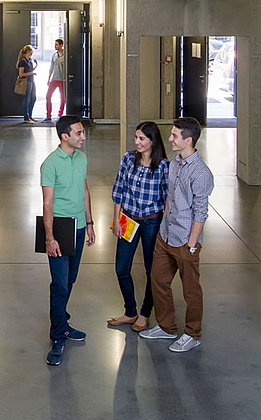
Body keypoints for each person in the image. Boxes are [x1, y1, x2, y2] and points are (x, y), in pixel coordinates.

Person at [139, 117, 214, 353]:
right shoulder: (174, 163)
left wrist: (192, 244)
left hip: (185, 241)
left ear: (188, 140)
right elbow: (170, 198)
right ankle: (167, 327)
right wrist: (164, 226)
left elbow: (201, 211)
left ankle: (193, 333)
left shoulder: (201, 173)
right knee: (158, 280)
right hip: (166, 234)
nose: (169, 139)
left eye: (174, 135)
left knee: (191, 291)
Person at [40, 115, 96, 366]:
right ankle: (57, 334)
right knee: (60, 284)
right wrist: (49, 238)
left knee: (70, 279)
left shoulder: (81, 158)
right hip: (60, 228)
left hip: (80, 226)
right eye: (79, 133)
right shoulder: (50, 164)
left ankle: (62, 321)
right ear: (65, 136)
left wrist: (90, 222)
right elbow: (48, 203)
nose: (83, 137)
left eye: (83, 133)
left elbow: (84, 190)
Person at [107, 121, 169, 333]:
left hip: (152, 221)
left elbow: (167, 198)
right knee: (121, 267)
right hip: (128, 219)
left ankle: (144, 313)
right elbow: (119, 189)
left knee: (151, 270)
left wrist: (166, 225)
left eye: (142, 138)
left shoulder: (163, 166)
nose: (137, 142)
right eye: (136, 138)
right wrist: (116, 220)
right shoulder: (128, 159)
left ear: (153, 141)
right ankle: (130, 310)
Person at [44, 39, 65, 122]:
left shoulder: (66, 55)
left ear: (61, 45)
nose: (55, 46)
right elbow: (51, 68)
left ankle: (60, 114)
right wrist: (48, 79)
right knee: (48, 96)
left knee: (63, 98)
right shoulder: (54, 55)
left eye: (56, 44)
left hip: (63, 79)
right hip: (54, 79)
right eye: (55, 44)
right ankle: (48, 115)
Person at [17, 44, 38, 124]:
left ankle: (30, 116)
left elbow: (30, 70)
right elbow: (21, 74)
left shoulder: (29, 60)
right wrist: (31, 74)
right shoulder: (23, 61)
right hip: (27, 82)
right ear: (27, 51)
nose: (32, 53)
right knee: (27, 99)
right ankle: (26, 118)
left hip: (31, 81)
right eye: (31, 51)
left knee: (33, 98)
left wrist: (36, 66)